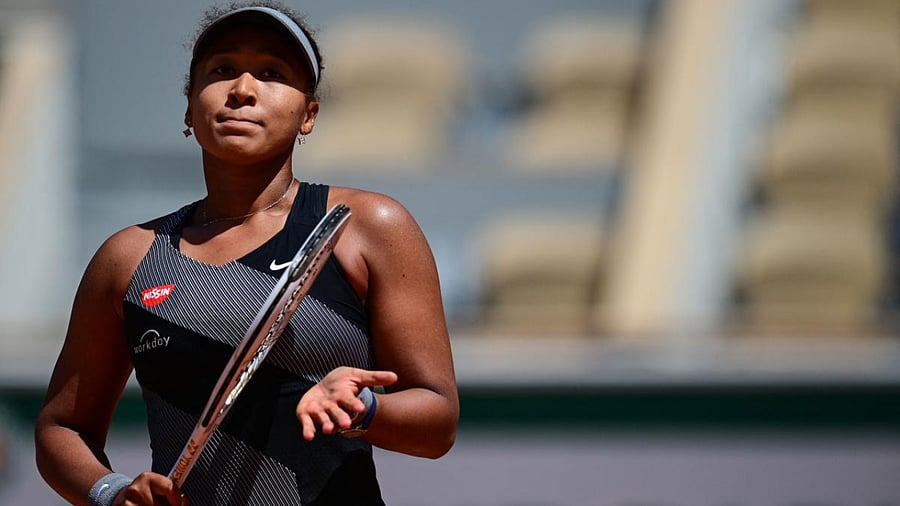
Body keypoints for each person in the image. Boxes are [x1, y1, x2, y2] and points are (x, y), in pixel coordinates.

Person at [34, 2, 460, 504]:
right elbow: (62, 427)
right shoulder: (126, 259)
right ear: (190, 109)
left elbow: (438, 420)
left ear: (309, 115)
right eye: (222, 70)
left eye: (272, 73)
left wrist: (362, 407)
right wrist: (109, 491)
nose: (242, 90)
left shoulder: (368, 227)